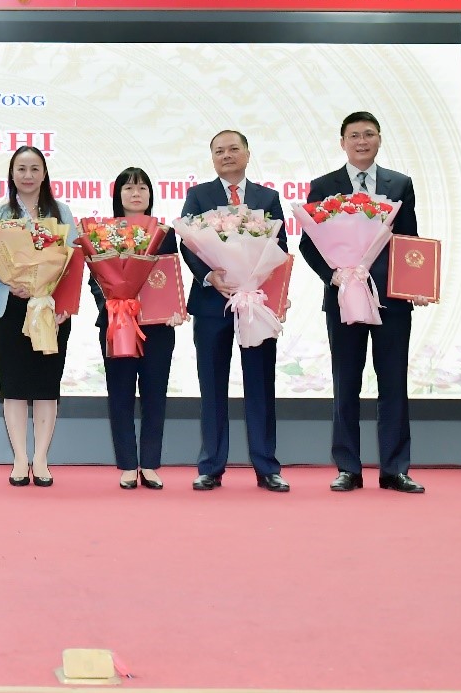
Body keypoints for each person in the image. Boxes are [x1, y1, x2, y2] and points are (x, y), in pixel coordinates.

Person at [298, 111, 430, 494]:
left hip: (391, 300)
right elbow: (308, 244)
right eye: (354, 135)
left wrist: (416, 283)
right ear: (342, 142)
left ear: (379, 140)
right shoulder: (323, 186)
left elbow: (408, 240)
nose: (361, 141)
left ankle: (395, 469)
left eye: (368, 134)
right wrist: (333, 275)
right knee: (346, 383)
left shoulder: (399, 184)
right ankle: (347, 468)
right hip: (343, 297)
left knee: (394, 383)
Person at [180, 129, 290, 492]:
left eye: (233, 149)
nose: (226, 155)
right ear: (212, 158)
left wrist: (275, 295)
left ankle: (267, 467)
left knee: (260, 383)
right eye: (219, 151)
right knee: (212, 385)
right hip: (213, 304)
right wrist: (209, 276)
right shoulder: (198, 195)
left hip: (255, 303)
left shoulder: (267, 198)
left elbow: (280, 249)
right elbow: (187, 244)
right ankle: (210, 466)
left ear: (247, 153)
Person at [0, 146, 75, 488]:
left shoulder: (61, 212)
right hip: (11, 306)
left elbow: (73, 261)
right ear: (12, 174)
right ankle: (20, 458)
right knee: (15, 385)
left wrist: (62, 302)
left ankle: (42, 458)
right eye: (21, 169)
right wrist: (10, 281)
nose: (28, 175)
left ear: (44, 173)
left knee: (47, 385)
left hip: (50, 308)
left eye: (35, 168)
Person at [90, 167, 183, 491]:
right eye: (128, 188)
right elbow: (95, 278)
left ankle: (151, 464)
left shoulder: (164, 233)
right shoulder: (103, 232)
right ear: (118, 195)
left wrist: (173, 309)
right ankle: (129, 465)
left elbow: (169, 274)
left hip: (158, 326)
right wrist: (111, 304)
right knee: (120, 394)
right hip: (118, 322)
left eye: (142, 187)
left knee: (155, 395)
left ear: (150, 194)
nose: (136, 193)